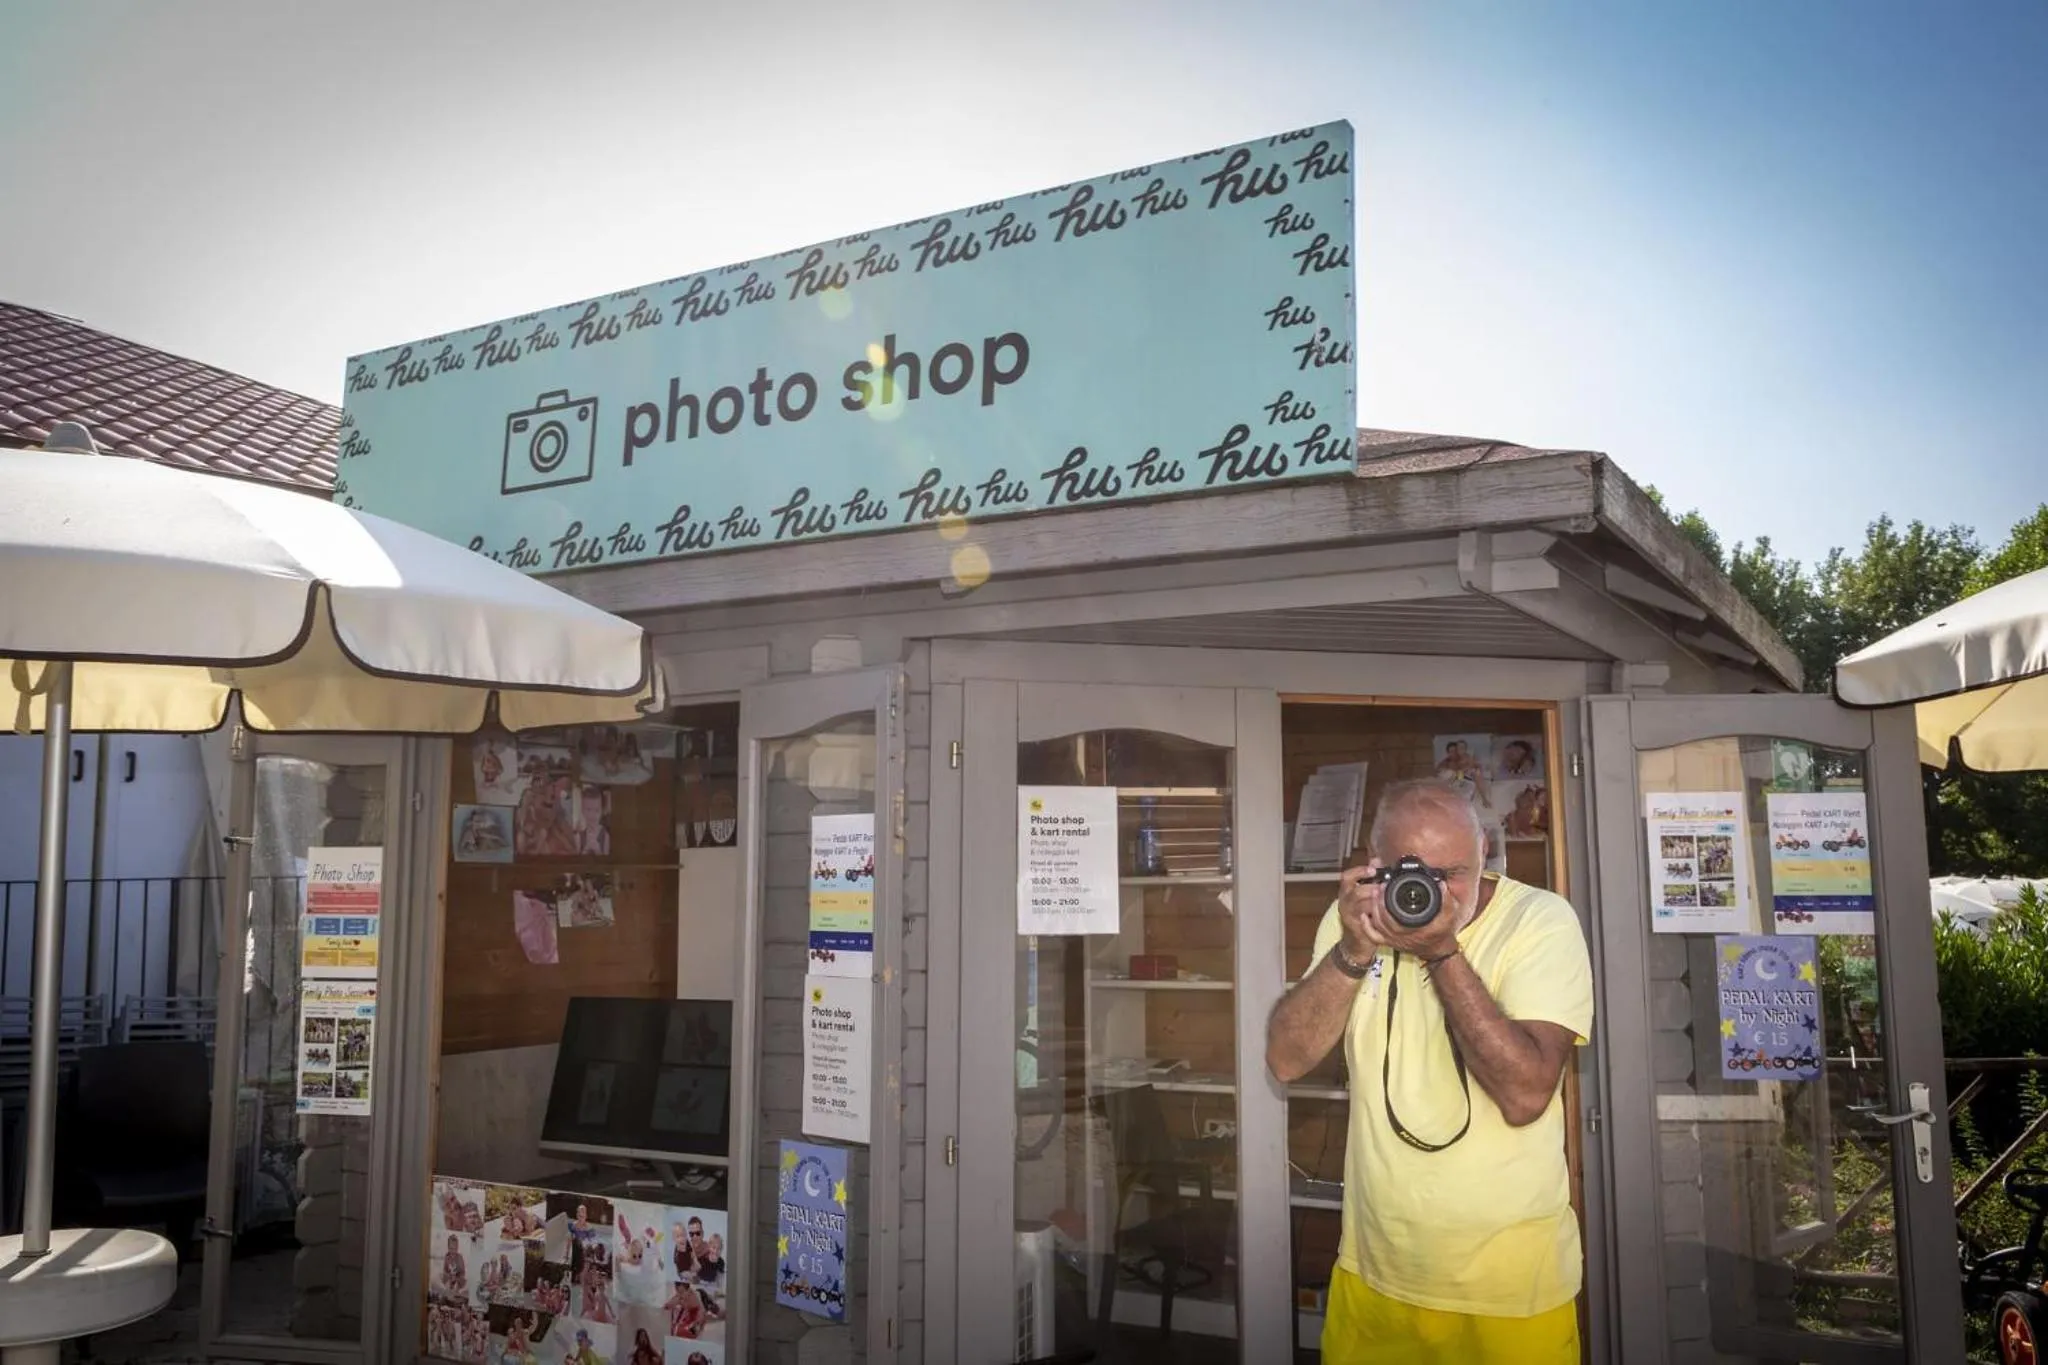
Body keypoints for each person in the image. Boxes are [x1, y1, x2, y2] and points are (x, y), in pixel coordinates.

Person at [1265, 778, 1593, 1365]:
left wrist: (1441, 951)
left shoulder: (1541, 922)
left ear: (1484, 855)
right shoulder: (1355, 922)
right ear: (1376, 866)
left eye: (1455, 872)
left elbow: (1525, 1095)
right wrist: (1352, 951)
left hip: (1510, 1289)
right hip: (1375, 1270)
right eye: (1415, 871)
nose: (1435, 892)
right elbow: (1286, 1060)